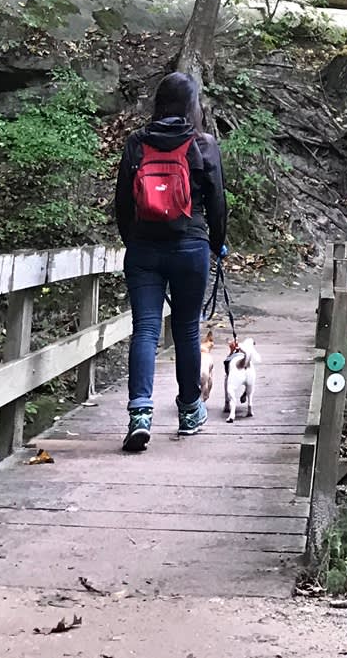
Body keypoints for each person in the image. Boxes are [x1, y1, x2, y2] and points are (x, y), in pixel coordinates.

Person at [112, 71, 228, 452]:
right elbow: (217, 204)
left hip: (144, 249)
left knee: (145, 329)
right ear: (192, 106)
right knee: (187, 330)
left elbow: (122, 204)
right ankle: (190, 411)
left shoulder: (136, 143)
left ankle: (140, 415)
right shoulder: (203, 145)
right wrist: (216, 244)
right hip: (190, 248)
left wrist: (135, 243)